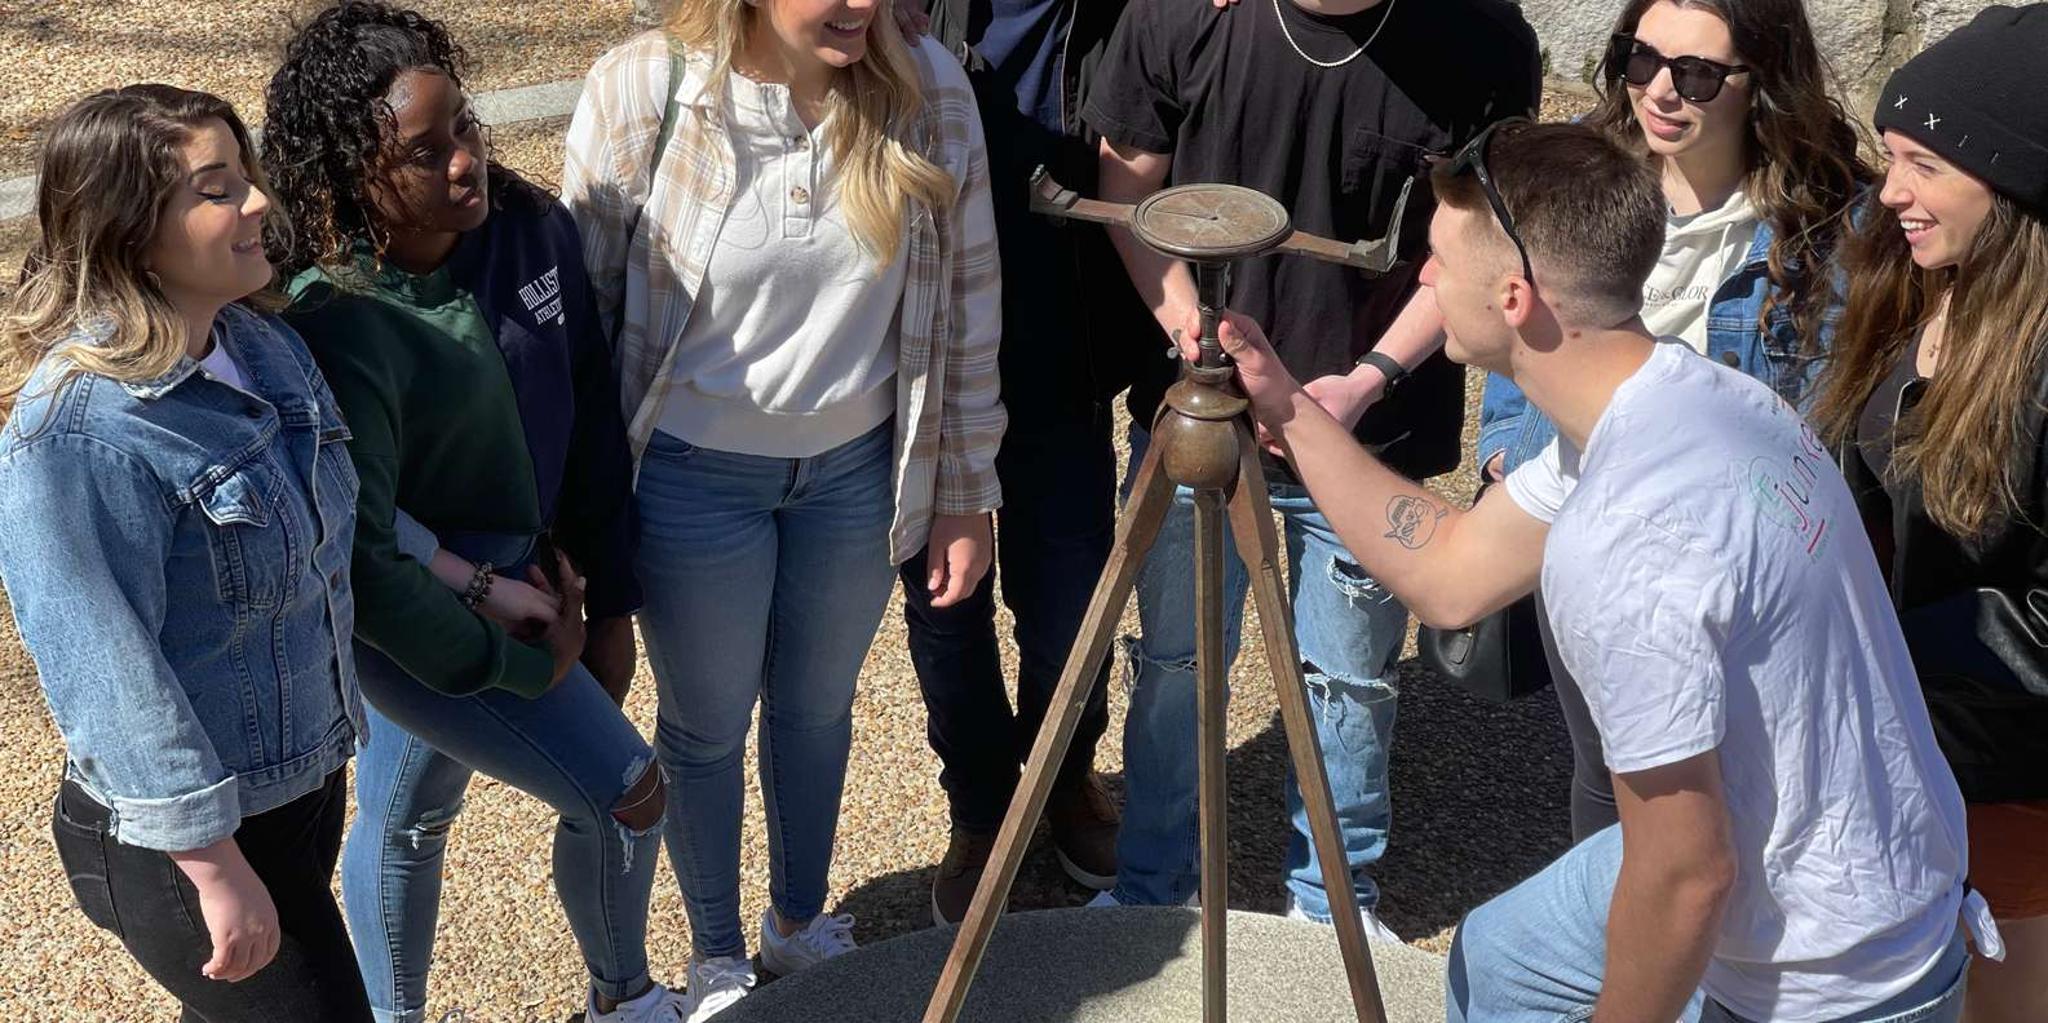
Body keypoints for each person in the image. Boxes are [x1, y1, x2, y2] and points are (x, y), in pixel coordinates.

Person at [1199, 118, 1991, 1023]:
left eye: (1436, 260)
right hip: (1800, 834)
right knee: (1505, 959)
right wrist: (1289, 407)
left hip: (1833, 966)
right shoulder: (1687, 395)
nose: (1420, 279)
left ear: (1512, 298)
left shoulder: (1628, 538)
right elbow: (1451, 570)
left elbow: (1688, 876)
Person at [562, 0, 1004, 1014]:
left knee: (817, 710)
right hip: (687, 477)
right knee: (705, 725)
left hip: (855, 472)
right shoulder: (642, 91)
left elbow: (971, 304)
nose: (862, 7)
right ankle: (716, 955)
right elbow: (581, 326)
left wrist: (964, 492)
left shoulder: (929, 87)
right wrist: (575, 522)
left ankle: (799, 921)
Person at [1079, 0, 1540, 932]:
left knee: (1348, 679)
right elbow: (1127, 186)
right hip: (1201, 408)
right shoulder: (1181, 17)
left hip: (1365, 430)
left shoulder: (1479, 39)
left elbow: (1485, 245)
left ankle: (1329, 902)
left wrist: (1369, 379)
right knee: (1176, 660)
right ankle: (1152, 885)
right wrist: (1187, 327)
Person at [261, 5, 676, 1021]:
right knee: (625, 791)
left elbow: (585, 419)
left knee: (410, 812)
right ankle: (621, 1002)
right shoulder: (333, 316)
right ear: (354, 173)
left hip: (537, 581)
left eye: (467, 129)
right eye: (425, 150)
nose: (465, 163)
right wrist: (506, 622)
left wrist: (607, 604)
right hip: (421, 615)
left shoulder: (531, 230)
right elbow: (365, 545)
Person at [0, 85, 371, 1021]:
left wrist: (468, 579)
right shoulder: (77, 434)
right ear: (131, 232)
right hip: (180, 847)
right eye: (217, 190)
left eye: (243, 179)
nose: (257, 203)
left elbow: (328, 528)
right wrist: (212, 863)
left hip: (297, 793)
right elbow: (105, 673)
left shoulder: (259, 345)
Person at [1478, 0, 1872, 842]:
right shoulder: (1584, 176)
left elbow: (1822, 413)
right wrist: (1503, 455)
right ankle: (1611, 946)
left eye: (1695, 74)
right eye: (1638, 58)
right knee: (1607, 769)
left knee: (1734, 782)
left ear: (1761, 84)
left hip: (1723, 554)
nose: (1659, 90)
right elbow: (1516, 319)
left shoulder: (1825, 225)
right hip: (1583, 520)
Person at [1808, 7, 2048, 1020]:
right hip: (1897, 746)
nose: (1888, 191)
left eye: (1923, 165)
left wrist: (1874, 645)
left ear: (2013, 180)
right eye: (1887, 157)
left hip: (2006, 782)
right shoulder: (1912, 286)